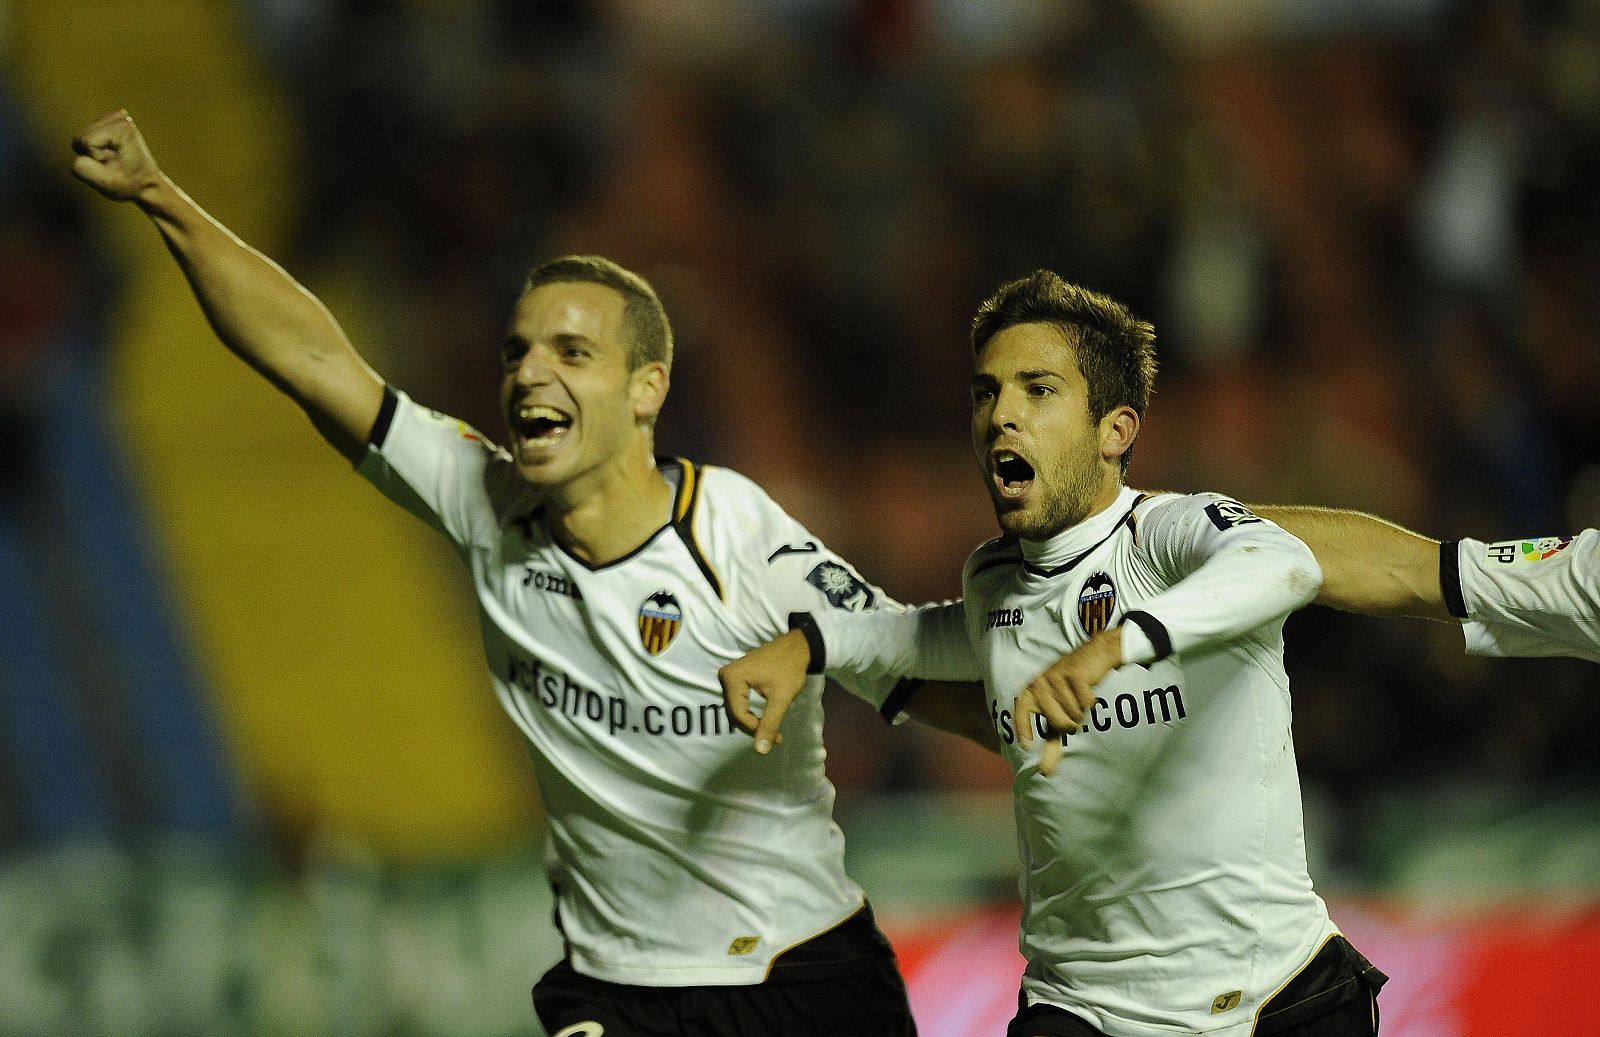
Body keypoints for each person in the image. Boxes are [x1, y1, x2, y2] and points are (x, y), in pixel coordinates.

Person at [68, 108, 987, 1037]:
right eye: (518, 351)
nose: (530, 374)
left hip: (796, 978)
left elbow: (918, 671)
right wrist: (159, 196)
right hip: (624, 986)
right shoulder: (485, 500)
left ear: (646, 390)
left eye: (571, 352)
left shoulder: (739, 534)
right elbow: (309, 354)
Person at [724, 270, 1388, 1037]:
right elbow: (925, 638)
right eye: (985, 393)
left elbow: (1286, 565)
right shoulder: (992, 579)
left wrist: (1116, 644)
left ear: (1116, 431)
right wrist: (811, 642)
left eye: (1037, 390)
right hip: (1085, 1008)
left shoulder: (1169, 531)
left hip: (1277, 995)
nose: (1001, 414)